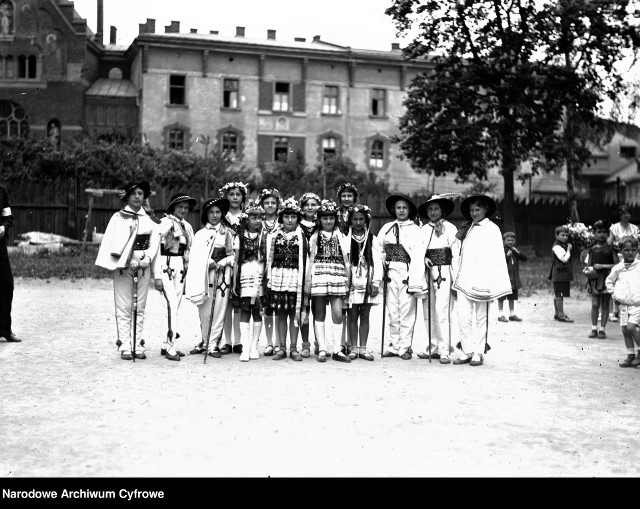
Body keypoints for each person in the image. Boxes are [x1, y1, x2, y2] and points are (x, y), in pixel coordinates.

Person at [95, 181, 161, 360]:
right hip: (124, 267)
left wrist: (147, 258)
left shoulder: (150, 218)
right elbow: (113, 242)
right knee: (124, 305)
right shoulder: (118, 217)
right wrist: (128, 259)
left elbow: (155, 241)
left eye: (141, 193)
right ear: (127, 196)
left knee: (139, 306)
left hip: (144, 267)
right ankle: (125, 344)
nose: (137, 197)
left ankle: (136, 344)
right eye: (133, 193)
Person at [451, 195, 511, 366]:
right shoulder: (467, 228)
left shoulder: (492, 229)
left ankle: (478, 352)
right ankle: (467, 350)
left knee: (480, 317)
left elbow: (497, 257)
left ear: (486, 210)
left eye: (478, 210)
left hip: (482, 279)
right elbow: (457, 249)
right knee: (463, 316)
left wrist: (491, 281)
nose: (474, 213)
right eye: (471, 210)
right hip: (464, 278)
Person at [185, 197, 236, 358]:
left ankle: (213, 343)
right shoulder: (200, 234)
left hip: (222, 274)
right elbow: (195, 257)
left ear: (222, 214)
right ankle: (205, 340)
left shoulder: (228, 233)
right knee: (205, 310)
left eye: (218, 212)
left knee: (219, 309)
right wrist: (208, 262)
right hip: (205, 273)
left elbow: (234, 255)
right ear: (206, 215)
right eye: (211, 212)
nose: (214, 215)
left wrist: (224, 261)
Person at [306, 199, 352, 363]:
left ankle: (337, 349)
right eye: (325, 218)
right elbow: (310, 259)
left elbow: (346, 259)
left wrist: (348, 279)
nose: (328, 221)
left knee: (338, 313)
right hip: (319, 274)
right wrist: (308, 280)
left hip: (337, 275)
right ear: (319, 220)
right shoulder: (315, 237)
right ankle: (323, 349)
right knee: (319, 312)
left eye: (331, 218)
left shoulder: (341, 236)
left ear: (335, 219)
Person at [377, 194, 421, 360]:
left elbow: (417, 253)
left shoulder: (415, 229)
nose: (401, 211)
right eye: (398, 208)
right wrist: (383, 264)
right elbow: (379, 248)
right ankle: (394, 345)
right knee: (392, 311)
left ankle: (405, 347)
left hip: (406, 274)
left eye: (404, 208)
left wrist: (414, 276)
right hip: (390, 274)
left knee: (406, 311)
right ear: (394, 210)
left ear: (409, 210)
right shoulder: (387, 227)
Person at [415, 194, 459, 364]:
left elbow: (455, 254)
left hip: (445, 272)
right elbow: (418, 250)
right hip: (428, 272)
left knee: (442, 310)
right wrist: (423, 258)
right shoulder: (424, 230)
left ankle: (444, 350)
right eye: (430, 209)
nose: (433, 212)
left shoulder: (450, 229)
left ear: (442, 211)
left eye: (436, 209)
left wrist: (455, 277)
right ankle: (432, 346)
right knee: (428, 310)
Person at [264, 197, 309, 361]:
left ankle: (293, 348)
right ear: (281, 218)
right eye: (286, 216)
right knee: (281, 314)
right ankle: (281, 347)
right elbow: (269, 260)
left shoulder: (302, 237)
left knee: (294, 313)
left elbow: (307, 261)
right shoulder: (274, 236)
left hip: (295, 279)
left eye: (293, 216)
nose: (290, 220)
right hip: (279, 279)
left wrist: (304, 281)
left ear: (298, 218)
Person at [156, 193, 196, 361]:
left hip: (180, 266)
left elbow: (191, 248)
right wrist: (157, 275)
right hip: (166, 264)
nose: (183, 210)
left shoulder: (187, 226)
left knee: (175, 306)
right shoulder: (164, 223)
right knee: (171, 304)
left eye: (186, 207)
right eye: (180, 206)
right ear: (173, 207)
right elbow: (156, 249)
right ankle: (172, 346)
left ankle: (166, 344)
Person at [346, 204, 381, 361]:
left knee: (365, 314)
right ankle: (353, 348)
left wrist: (376, 282)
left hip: (367, 279)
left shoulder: (372, 238)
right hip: (351, 280)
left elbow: (378, 262)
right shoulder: (346, 238)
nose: (358, 222)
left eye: (361, 219)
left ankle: (363, 348)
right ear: (350, 221)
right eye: (355, 219)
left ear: (366, 220)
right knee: (352, 314)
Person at [232, 200, 266, 362]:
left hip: (260, 278)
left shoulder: (265, 237)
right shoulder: (240, 237)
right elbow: (236, 260)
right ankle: (245, 348)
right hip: (244, 278)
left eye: (260, 217)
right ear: (247, 220)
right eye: (253, 217)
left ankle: (254, 346)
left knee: (258, 311)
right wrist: (234, 282)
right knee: (245, 311)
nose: (257, 220)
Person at [219, 182, 248, 355]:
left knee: (238, 301)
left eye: (238, 194)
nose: (235, 197)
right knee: (226, 301)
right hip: (224, 261)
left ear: (243, 197)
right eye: (232, 194)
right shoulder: (221, 216)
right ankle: (226, 341)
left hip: (243, 262)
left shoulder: (246, 217)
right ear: (227, 196)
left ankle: (238, 341)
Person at [605, 236, 640, 368]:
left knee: (632, 328)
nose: (630, 252)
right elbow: (609, 281)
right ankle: (630, 354)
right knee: (625, 330)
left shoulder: (639, 267)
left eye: (633, 249)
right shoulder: (618, 268)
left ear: (637, 251)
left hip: (637, 303)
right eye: (626, 250)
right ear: (621, 251)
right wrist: (614, 295)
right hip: (624, 304)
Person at [258, 188, 282, 356]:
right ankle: (269, 343)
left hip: (280, 268)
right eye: (266, 203)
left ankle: (280, 342)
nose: (270, 205)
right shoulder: (257, 222)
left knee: (279, 305)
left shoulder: (283, 222)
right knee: (266, 306)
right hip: (261, 267)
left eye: (273, 202)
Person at [584, 220, 617, 339]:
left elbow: (617, 265)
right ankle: (594, 328)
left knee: (605, 304)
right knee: (595, 304)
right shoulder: (592, 249)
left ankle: (602, 329)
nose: (602, 234)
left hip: (608, 278)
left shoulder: (611, 248)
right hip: (595, 279)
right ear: (594, 233)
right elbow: (588, 267)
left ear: (608, 233)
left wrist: (603, 266)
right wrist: (588, 281)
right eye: (599, 232)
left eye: (604, 232)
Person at [607, 205, 639, 323]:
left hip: (633, 257)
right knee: (618, 281)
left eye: (629, 213)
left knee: (632, 282)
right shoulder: (614, 227)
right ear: (620, 215)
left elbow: (637, 243)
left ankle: (632, 309)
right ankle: (615, 310)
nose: (627, 216)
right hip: (619, 257)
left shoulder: (635, 228)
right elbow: (609, 242)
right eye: (624, 213)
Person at [299, 192, 321, 357]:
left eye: (313, 204)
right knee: (303, 309)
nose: (310, 207)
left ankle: (319, 343)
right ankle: (305, 343)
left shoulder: (323, 225)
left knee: (318, 310)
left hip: (319, 272)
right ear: (302, 207)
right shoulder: (297, 225)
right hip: (301, 271)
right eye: (307, 204)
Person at [0, 183, 21, 343]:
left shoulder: (2, 190)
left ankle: (5, 330)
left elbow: (8, 216)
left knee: (7, 285)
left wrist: (3, 227)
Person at [497, 231, 527, 323]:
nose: (510, 242)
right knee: (502, 296)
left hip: (513, 278)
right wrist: (506, 256)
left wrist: (517, 251)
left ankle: (512, 314)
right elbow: (498, 262)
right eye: (508, 240)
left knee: (512, 296)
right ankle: (500, 314)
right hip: (504, 278)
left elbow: (524, 258)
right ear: (503, 241)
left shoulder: (515, 250)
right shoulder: (501, 250)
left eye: (512, 240)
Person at [547, 225, 574, 323]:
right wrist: (569, 250)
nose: (565, 237)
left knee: (558, 293)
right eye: (562, 235)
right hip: (560, 273)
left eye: (566, 236)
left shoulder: (562, 245)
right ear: (556, 235)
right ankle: (561, 315)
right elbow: (564, 258)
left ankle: (557, 313)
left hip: (562, 273)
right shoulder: (557, 247)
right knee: (560, 294)